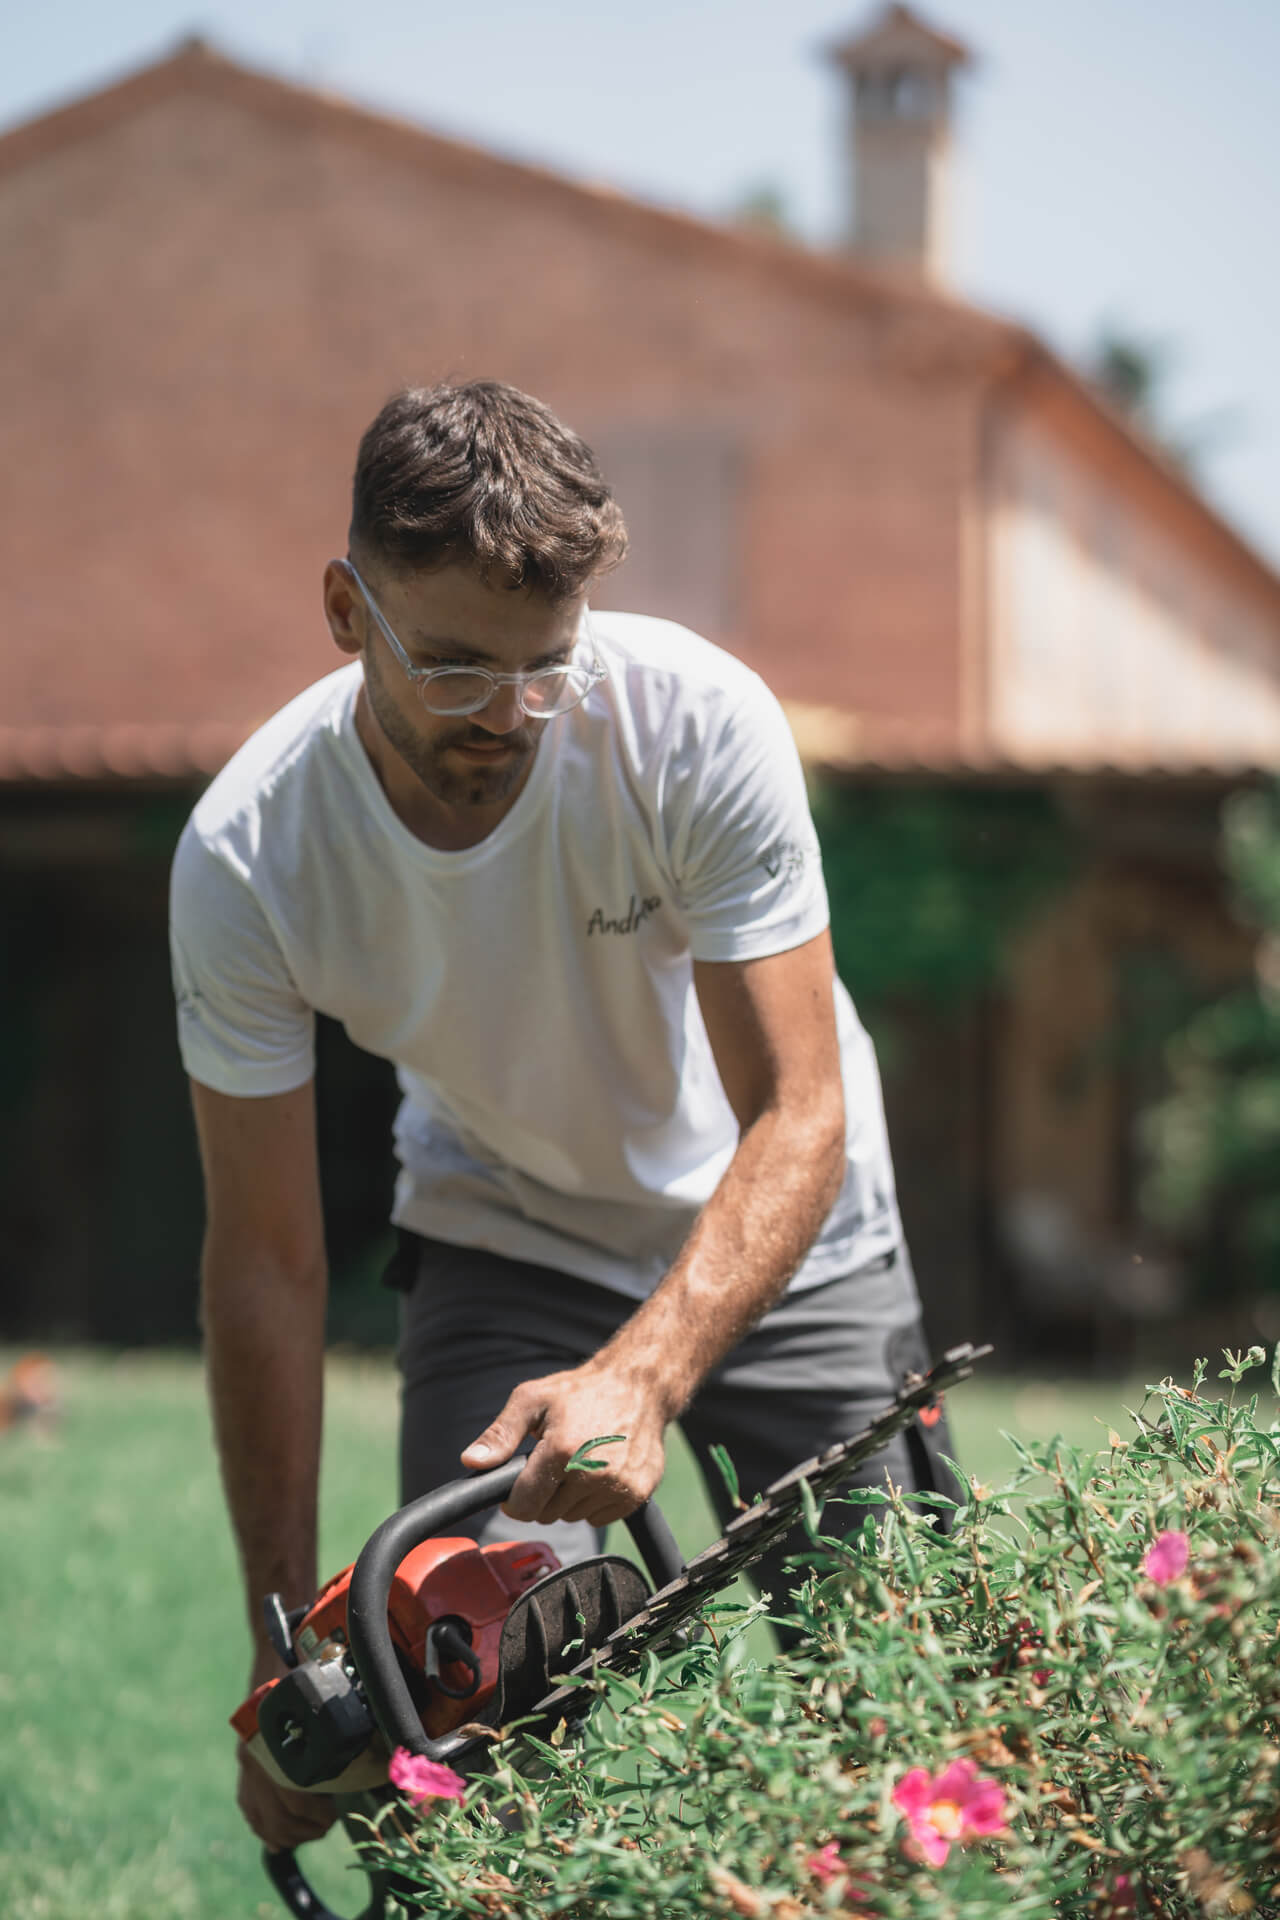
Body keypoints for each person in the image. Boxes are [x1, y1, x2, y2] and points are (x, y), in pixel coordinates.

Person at [169, 379, 954, 1854]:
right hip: (508, 1225)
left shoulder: (695, 725)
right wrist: (288, 1655)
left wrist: (647, 1377)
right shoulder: (251, 859)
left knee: (905, 1713)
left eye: (545, 670)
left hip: (791, 1226)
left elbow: (798, 1110)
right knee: (468, 1729)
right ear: (348, 612)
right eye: (458, 669)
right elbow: (266, 1266)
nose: (511, 719)